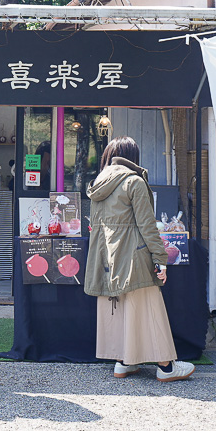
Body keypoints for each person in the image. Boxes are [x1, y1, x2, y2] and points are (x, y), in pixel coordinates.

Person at [84, 136, 195, 382]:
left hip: (106, 260)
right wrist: (160, 259)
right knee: (149, 308)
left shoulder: (98, 183)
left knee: (122, 309)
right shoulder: (134, 182)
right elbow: (147, 225)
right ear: (132, 157)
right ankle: (166, 367)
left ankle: (123, 362)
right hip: (133, 257)